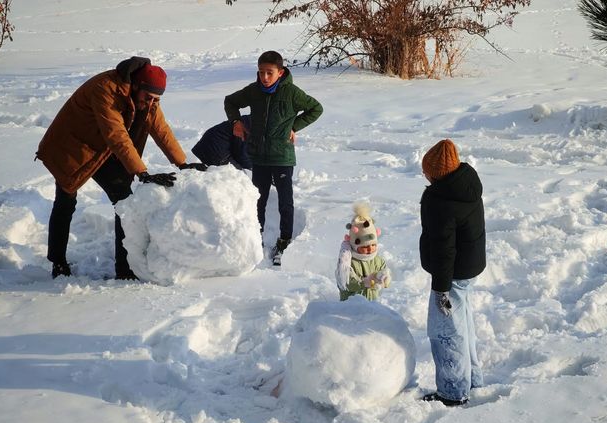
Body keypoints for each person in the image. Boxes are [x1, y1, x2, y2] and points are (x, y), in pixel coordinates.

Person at [36, 56, 205, 280]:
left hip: (101, 148)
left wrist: (182, 162)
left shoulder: (147, 98)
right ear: (136, 85)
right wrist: (141, 172)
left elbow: (160, 128)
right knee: (66, 201)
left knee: (124, 201)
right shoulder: (105, 89)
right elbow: (117, 135)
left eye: (157, 99)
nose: (152, 102)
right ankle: (57, 262)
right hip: (72, 147)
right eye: (149, 97)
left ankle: (125, 269)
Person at [224, 50, 323, 265]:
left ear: (280, 72)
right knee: (258, 201)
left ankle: (285, 239)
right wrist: (236, 122)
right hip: (258, 156)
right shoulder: (253, 91)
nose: (265, 78)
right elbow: (230, 102)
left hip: (282, 157)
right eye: (261, 73)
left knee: (285, 203)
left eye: (270, 73)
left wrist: (295, 126)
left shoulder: (292, 93)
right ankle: (255, 238)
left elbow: (316, 108)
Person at [419, 139, 486, 407]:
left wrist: (441, 289)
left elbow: (444, 249)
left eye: (427, 172)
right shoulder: (466, 184)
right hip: (469, 267)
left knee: (446, 331)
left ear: (437, 174)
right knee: (463, 324)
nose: (424, 175)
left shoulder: (442, 201)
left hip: (453, 274)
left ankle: (453, 391)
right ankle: (473, 379)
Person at [335, 202, 392, 301]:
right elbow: (347, 283)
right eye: (365, 246)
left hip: (371, 303)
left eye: (373, 245)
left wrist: (385, 277)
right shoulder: (348, 261)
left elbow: (383, 271)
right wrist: (364, 283)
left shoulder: (378, 261)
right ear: (355, 245)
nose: (370, 249)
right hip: (351, 306)